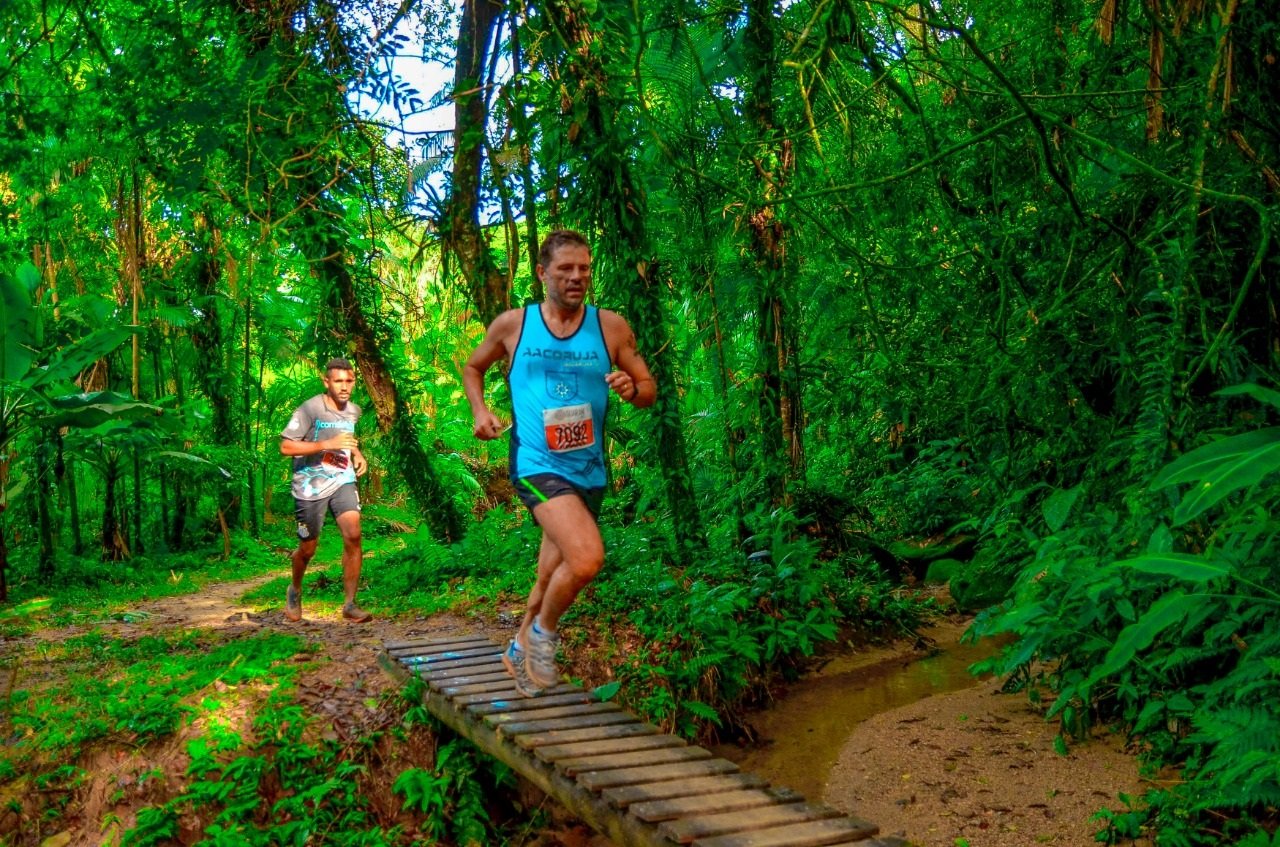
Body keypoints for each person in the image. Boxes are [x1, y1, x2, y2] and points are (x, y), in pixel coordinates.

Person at [463, 229, 656, 696]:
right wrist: (480, 410)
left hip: (589, 470)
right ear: (542, 273)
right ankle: (542, 636)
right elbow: (473, 367)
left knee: (551, 572)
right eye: (565, 268)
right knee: (586, 558)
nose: (576, 277)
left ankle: (516, 648)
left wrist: (631, 389)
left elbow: (648, 389)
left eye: (584, 268)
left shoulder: (611, 327)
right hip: (536, 463)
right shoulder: (514, 325)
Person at [280, 357, 372, 623]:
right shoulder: (309, 409)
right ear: (326, 382)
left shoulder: (353, 410)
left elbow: (345, 438)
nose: (344, 387)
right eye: (338, 381)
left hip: (342, 479)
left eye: (349, 381)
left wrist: (356, 453)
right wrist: (326, 444)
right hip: (309, 486)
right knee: (308, 549)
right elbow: (286, 446)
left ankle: (350, 604)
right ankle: (295, 589)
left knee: (353, 534)